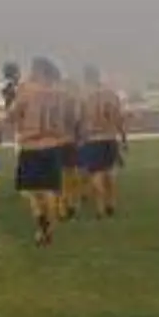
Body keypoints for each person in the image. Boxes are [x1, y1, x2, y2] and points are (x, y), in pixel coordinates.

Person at [8, 57, 68, 244]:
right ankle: (49, 229)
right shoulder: (57, 92)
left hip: (31, 145)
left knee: (31, 190)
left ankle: (41, 222)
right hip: (52, 144)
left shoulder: (26, 89)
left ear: (38, 71)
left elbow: (13, 114)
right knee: (51, 189)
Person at [79, 66, 128, 217]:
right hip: (110, 137)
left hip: (93, 139)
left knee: (96, 174)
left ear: (87, 78)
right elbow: (119, 118)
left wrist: (79, 138)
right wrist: (123, 137)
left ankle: (100, 207)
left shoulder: (85, 96)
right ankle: (111, 202)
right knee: (111, 172)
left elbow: (79, 120)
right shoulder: (111, 95)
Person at [56, 68, 86, 219]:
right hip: (71, 141)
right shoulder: (74, 102)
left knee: (61, 175)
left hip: (57, 141)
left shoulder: (55, 101)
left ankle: (63, 205)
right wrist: (80, 137)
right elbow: (78, 121)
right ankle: (72, 203)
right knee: (72, 173)